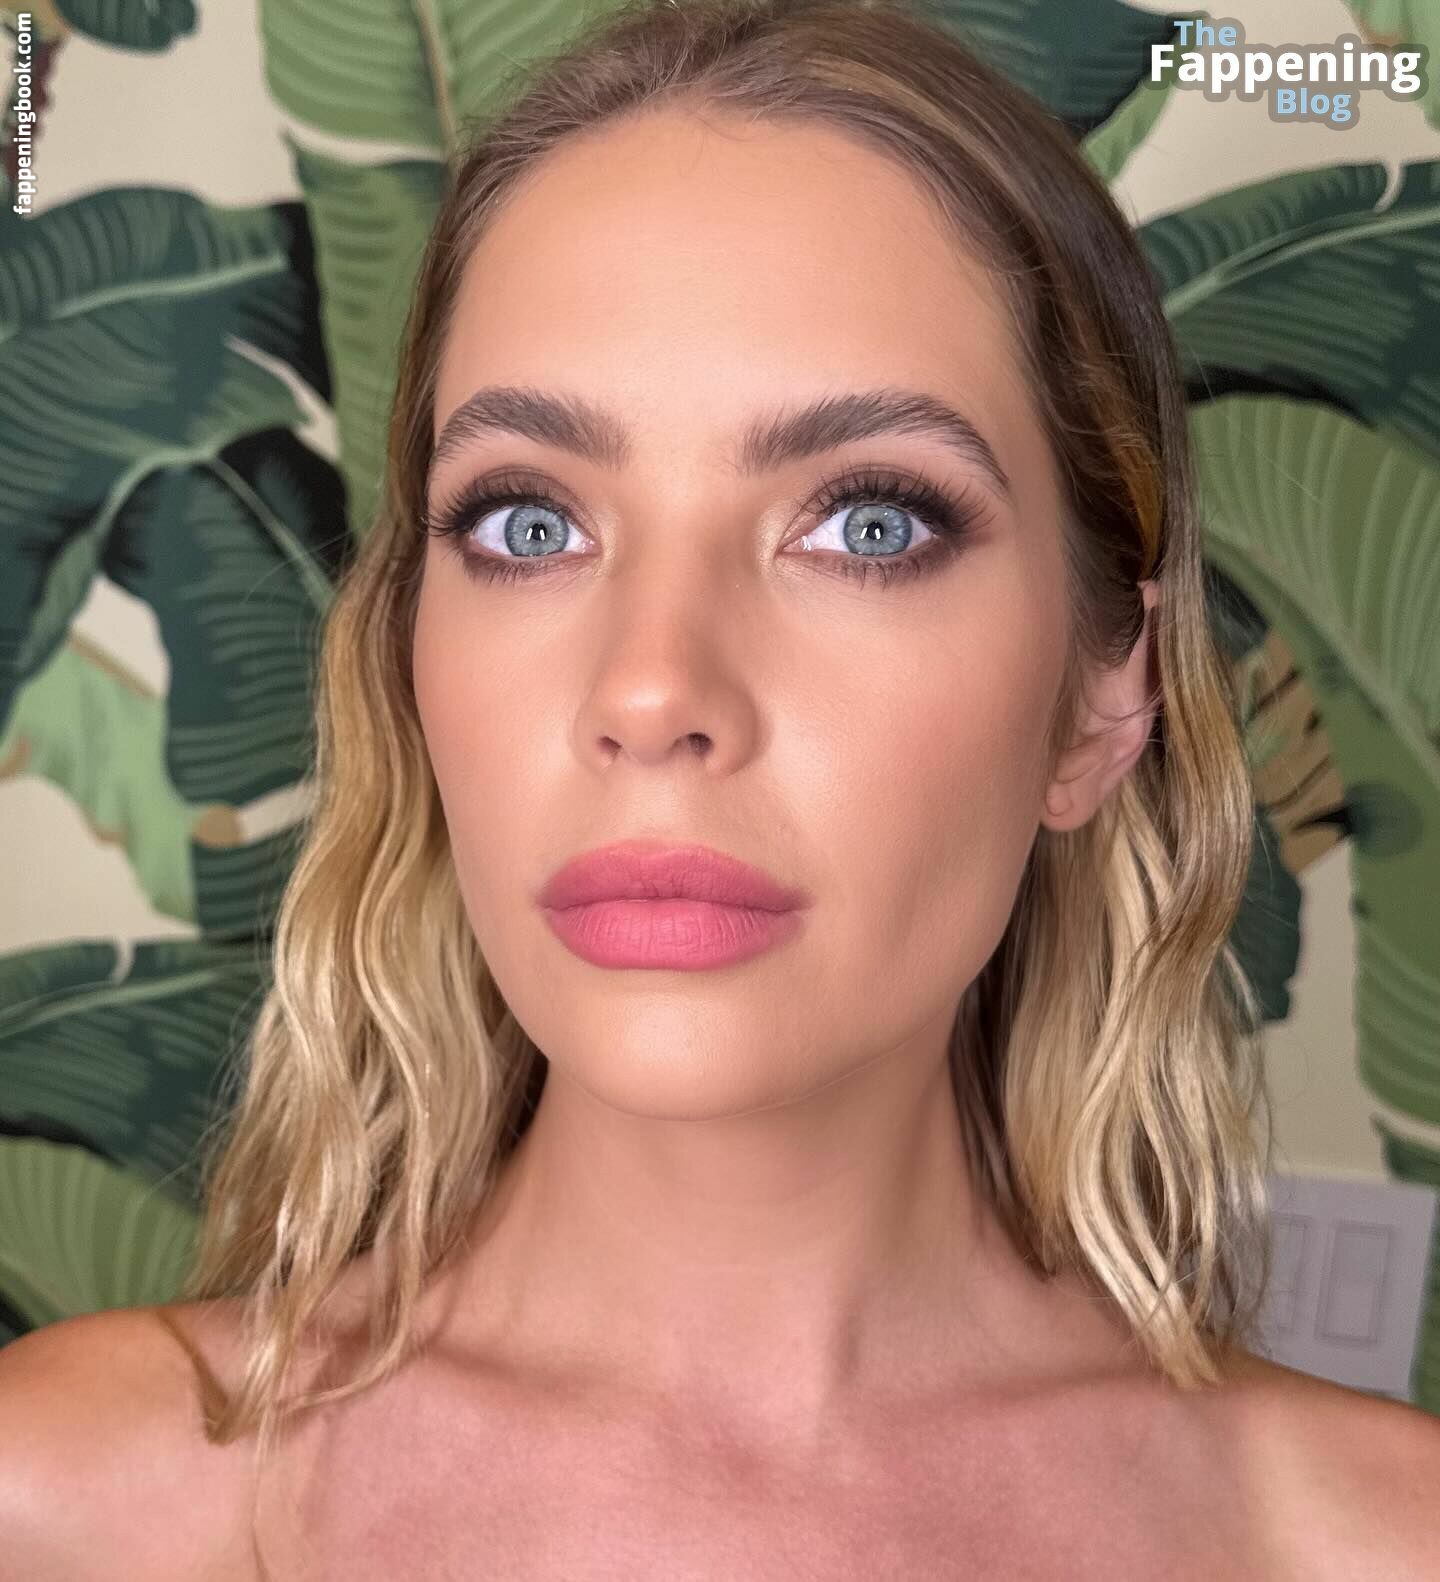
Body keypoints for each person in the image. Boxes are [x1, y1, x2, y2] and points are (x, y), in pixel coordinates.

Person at [3, 0, 1438, 1575]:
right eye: (530, 525)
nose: (652, 690)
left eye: (869, 524)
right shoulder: (59, 1501)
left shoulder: (1371, 1537)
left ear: (1102, 699)